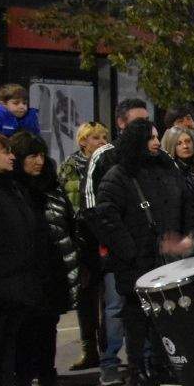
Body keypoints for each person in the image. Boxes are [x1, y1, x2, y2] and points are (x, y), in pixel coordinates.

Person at [93, 119, 194, 386]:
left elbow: (186, 202)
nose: (155, 142)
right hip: (137, 261)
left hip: (165, 257)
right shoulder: (119, 175)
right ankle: (138, 369)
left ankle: (163, 366)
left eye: (155, 137)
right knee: (137, 319)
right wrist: (129, 250)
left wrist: (183, 238)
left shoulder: (166, 169)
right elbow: (106, 218)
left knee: (164, 316)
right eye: (149, 138)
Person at [84, 97, 151, 386]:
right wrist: (114, 245)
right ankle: (110, 362)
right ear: (122, 123)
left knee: (144, 308)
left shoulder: (152, 160)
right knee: (114, 307)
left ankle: (145, 362)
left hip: (146, 251)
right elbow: (93, 207)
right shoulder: (105, 157)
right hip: (116, 250)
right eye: (139, 122)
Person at [9, 132, 80, 386]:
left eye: (41, 155)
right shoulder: (13, 188)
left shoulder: (52, 188)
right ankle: (23, 379)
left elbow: (67, 226)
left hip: (53, 268)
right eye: (32, 156)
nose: (38, 162)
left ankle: (47, 376)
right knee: (25, 329)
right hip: (25, 271)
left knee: (48, 325)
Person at [0, 134, 44, 386]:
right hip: (0, 278)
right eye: (4, 152)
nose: (11, 157)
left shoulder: (11, 186)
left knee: (8, 340)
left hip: (18, 277)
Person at [59, 121, 109, 372]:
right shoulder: (70, 168)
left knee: (109, 298)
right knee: (87, 299)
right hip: (83, 241)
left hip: (106, 239)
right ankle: (89, 350)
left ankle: (108, 350)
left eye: (104, 137)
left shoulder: (109, 164)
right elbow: (70, 205)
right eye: (96, 138)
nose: (101, 141)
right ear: (83, 142)